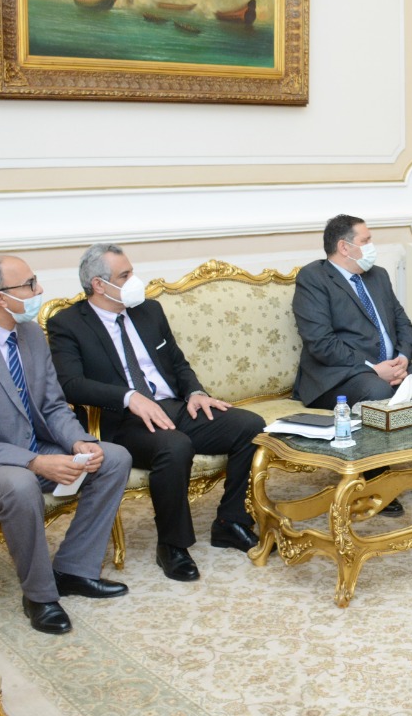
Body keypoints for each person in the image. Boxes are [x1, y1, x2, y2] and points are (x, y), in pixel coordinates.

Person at [0, 255, 131, 635]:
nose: (40, 290)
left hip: (34, 448)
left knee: (113, 458)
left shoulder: (32, 334)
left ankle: (73, 570)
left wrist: (78, 441)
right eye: (30, 284)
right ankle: (39, 596)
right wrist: (34, 462)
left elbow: (52, 405)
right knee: (20, 483)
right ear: (0, 298)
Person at [48, 244, 266, 583]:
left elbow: (177, 362)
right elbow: (70, 384)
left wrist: (195, 392)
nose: (134, 281)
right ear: (99, 285)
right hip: (122, 422)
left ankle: (230, 521)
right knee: (174, 446)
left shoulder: (148, 310)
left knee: (250, 426)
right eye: (125, 275)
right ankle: (172, 545)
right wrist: (128, 397)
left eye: (131, 272)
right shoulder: (68, 323)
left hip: (173, 407)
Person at [292, 214, 412, 516]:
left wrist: (403, 356)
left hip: (394, 369)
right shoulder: (314, 279)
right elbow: (321, 343)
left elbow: (403, 324)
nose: (372, 246)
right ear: (344, 247)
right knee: (376, 390)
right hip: (340, 378)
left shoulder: (378, 276)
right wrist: (373, 369)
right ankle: (376, 483)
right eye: (366, 240)